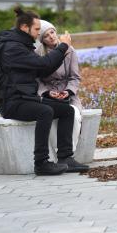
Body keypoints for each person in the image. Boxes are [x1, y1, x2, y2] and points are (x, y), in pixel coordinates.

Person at [0, 6, 89, 176]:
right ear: (25, 28)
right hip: (12, 102)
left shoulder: (22, 45)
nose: (38, 33)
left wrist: (62, 51)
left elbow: (41, 70)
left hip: (26, 98)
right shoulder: (12, 48)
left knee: (67, 110)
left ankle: (65, 157)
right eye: (37, 29)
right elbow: (43, 66)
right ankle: (41, 163)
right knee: (45, 111)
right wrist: (64, 46)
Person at [35, 20, 83, 160]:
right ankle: (58, 155)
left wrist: (68, 91)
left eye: (52, 32)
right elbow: (36, 79)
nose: (51, 36)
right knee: (49, 117)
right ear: (42, 40)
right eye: (46, 35)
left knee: (75, 115)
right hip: (49, 93)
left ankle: (68, 154)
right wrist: (47, 92)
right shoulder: (38, 53)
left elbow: (75, 77)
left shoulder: (70, 50)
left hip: (67, 92)